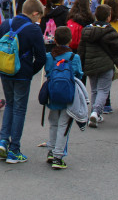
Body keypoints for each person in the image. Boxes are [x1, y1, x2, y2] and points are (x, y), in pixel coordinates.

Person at [0, 0, 46, 164]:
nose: (39, 20)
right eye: (39, 16)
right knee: (19, 109)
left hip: (5, 70)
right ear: (35, 13)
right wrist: (31, 71)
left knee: (10, 104)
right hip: (22, 73)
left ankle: (3, 140)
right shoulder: (34, 29)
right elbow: (41, 57)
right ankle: (14, 149)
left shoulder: (6, 23)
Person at [78, 5, 118, 128]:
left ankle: (94, 113)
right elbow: (117, 47)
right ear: (108, 17)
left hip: (90, 64)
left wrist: (81, 64)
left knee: (94, 90)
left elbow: (81, 49)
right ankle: (96, 112)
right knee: (103, 90)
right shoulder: (110, 31)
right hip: (106, 64)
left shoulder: (87, 31)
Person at [44, 26, 83, 170]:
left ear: (55, 40)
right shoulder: (74, 57)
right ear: (70, 40)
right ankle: (58, 156)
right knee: (63, 125)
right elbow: (79, 74)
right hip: (68, 94)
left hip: (53, 93)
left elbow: (48, 71)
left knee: (53, 122)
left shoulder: (49, 56)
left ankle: (51, 149)